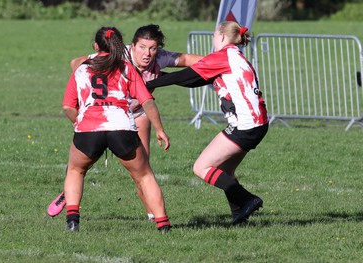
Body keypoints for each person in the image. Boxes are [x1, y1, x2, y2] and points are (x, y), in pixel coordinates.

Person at [47, 24, 203, 222]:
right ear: (132, 46)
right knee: (88, 163)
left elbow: (188, 59)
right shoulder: (118, 54)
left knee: (141, 169)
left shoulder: (160, 57)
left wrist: (220, 62)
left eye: (153, 48)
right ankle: (68, 192)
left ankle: (151, 215)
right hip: (110, 113)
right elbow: (75, 63)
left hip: (138, 113)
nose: (147, 54)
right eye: (142, 48)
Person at [146, 21, 269, 225]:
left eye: (214, 36)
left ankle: (248, 200)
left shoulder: (223, 56)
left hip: (245, 126)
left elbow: (187, 75)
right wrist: (160, 79)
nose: (213, 40)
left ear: (221, 36)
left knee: (201, 167)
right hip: (258, 124)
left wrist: (149, 83)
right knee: (225, 170)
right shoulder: (234, 56)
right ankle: (240, 214)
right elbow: (195, 81)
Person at [60, 26, 171, 233]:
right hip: (121, 128)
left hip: (89, 129)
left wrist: (79, 122)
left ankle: (73, 221)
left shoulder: (82, 69)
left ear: (95, 46)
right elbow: (146, 101)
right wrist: (160, 129)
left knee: (76, 170)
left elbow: (67, 106)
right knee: (144, 175)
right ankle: (163, 224)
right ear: (120, 46)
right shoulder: (127, 68)